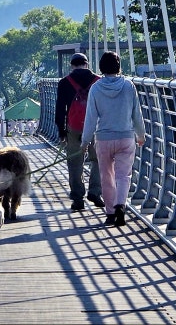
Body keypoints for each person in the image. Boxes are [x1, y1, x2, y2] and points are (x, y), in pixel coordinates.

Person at [81, 51, 145, 227]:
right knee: (123, 175)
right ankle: (120, 206)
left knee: (106, 176)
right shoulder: (128, 86)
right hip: (126, 137)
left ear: (101, 67)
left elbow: (91, 117)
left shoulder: (95, 88)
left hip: (103, 138)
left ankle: (110, 212)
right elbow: (136, 114)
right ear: (118, 66)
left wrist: (85, 141)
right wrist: (141, 135)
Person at [54, 52, 104, 212]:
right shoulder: (99, 82)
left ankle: (77, 198)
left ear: (72, 65)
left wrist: (62, 131)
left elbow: (60, 109)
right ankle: (95, 192)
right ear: (87, 64)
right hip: (96, 127)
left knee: (75, 162)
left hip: (74, 127)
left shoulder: (64, 83)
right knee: (98, 160)